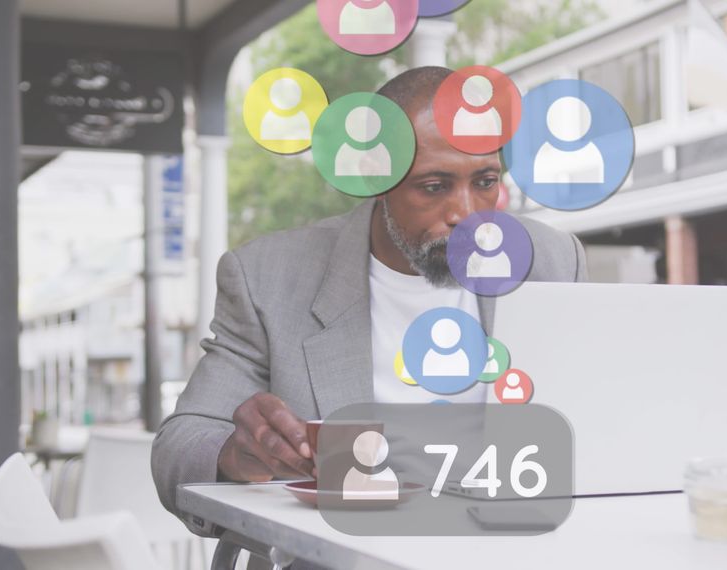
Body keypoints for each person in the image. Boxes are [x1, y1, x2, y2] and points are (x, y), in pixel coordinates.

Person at [151, 67, 587, 546]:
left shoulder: (550, 261)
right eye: (435, 186)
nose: (467, 213)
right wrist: (237, 455)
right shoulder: (267, 277)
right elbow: (179, 449)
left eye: (485, 181)